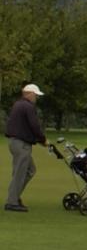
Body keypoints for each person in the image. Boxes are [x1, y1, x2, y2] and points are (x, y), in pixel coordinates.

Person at [6, 82, 47, 212]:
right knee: (20, 173)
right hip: (21, 144)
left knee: (30, 170)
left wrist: (37, 139)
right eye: (35, 95)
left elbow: (24, 127)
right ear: (29, 94)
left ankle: (15, 197)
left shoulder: (18, 104)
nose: (36, 98)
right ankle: (12, 202)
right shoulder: (28, 106)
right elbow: (34, 125)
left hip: (16, 142)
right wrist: (42, 139)